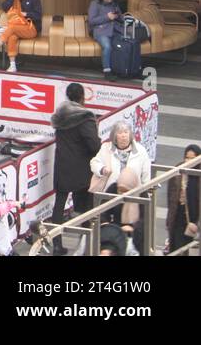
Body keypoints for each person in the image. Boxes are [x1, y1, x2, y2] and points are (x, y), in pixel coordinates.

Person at [50, 83, 101, 255]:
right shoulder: (85, 117)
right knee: (87, 206)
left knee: (59, 205)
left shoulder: (60, 116)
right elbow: (94, 145)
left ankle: (57, 244)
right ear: (82, 97)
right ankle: (84, 244)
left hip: (63, 165)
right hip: (82, 169)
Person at [91, 120, 152, 255]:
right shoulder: (106, 149)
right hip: (112, 192)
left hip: (134, 191)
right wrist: (102, 169)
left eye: (126, 132)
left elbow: (146, 175)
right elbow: (94, 162)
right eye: (120, 133)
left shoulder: (140, 151)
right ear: (114, 136)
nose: (123, 136)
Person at [166, 143, 200, 254]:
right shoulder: (178, 170)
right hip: (178, 216)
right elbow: (170, 197)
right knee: (177, 248)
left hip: (195, 220)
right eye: (187, 157)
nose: (189, 161)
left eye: (193, 158)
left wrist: (197, 223)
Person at [87, 0, 123, 78]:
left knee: (122, 44)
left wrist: (118, 15)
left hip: (114, 30)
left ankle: (120, 67)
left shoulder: (113, 4)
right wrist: (107, 17)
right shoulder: (95, 4)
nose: (109, 1)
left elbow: (120, 17)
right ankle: (107, 71)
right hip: (100, 31)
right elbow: (91, 21)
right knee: (107, 46)